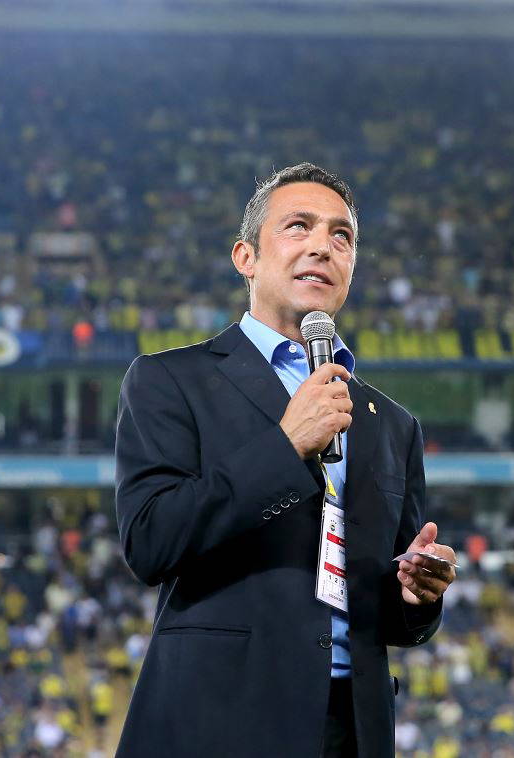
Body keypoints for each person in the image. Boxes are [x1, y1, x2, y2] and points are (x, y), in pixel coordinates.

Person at [114, 162, 456, 757]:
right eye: (298, 226)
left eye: (341, 236)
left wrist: (416, 595)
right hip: (219, 723)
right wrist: (285, 446)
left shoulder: (392, 424)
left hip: (352, 729)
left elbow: (387, 613)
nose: (323, 245)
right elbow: (150, 541)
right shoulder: (170, 381)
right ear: (245, 257)